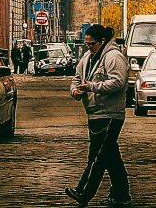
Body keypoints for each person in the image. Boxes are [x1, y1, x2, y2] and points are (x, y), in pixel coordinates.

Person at [65, 23, 131, 206]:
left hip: (110, 113)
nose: (88, 47)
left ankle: (83, 192)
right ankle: (120, 193)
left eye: (91, 44)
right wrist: (75, 91)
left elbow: (118, 82)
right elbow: (76, 80)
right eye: (86, 44)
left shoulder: (114, 57)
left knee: (97, 156)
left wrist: (92, 87)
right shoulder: (87, 58)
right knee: (110, 155)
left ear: (101, 41)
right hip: (94, 113)